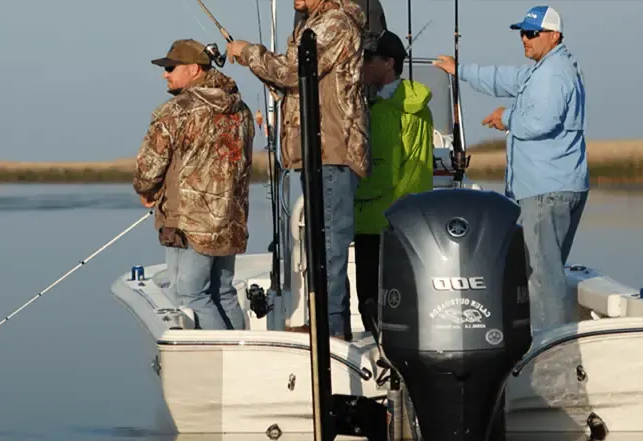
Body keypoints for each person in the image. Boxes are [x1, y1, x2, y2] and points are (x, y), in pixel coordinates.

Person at [432, 5, 589, 334]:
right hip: (556, 186)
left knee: (542, 276)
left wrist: (506, 118)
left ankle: (547, 352)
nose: (524, 39)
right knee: (546, 270)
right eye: (522, 32)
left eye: (532, 33)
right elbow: (504, 78)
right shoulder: (543, 70)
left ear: (554, 36)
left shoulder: (553, 74)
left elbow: (540, 121)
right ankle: (546, 341)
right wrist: (460, 70)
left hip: (545, 191)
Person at [225, 0, 370, 340]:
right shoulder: (312, 22)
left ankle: (332, 330)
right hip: (315, 149)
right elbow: (294, 81)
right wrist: (257, 64)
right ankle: (325, 324)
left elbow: (293, 70)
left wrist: (248, 52)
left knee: (331, 244)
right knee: (318, 242)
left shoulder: (334, 22)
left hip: (332, 148)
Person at [133, 39, 255, 330]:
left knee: (191, 293)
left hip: (190, 221)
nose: (165, 74)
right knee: (223, 292)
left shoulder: (175, 111)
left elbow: (149, 165)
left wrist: (146, 190)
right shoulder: (242, 109)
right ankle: (241, 357)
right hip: (230, 218)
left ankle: (223, 360)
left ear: (193, 69)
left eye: (171, 68)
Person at [355, 30, 435, 337]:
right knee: (388, 303)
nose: (361, 65)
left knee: (374, 302)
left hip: (382, 222)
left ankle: (386, 360)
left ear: (389, 63)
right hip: (398, 221)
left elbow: (382, 173)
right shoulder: (399, 107)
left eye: (367, 59)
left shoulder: (391, 113)